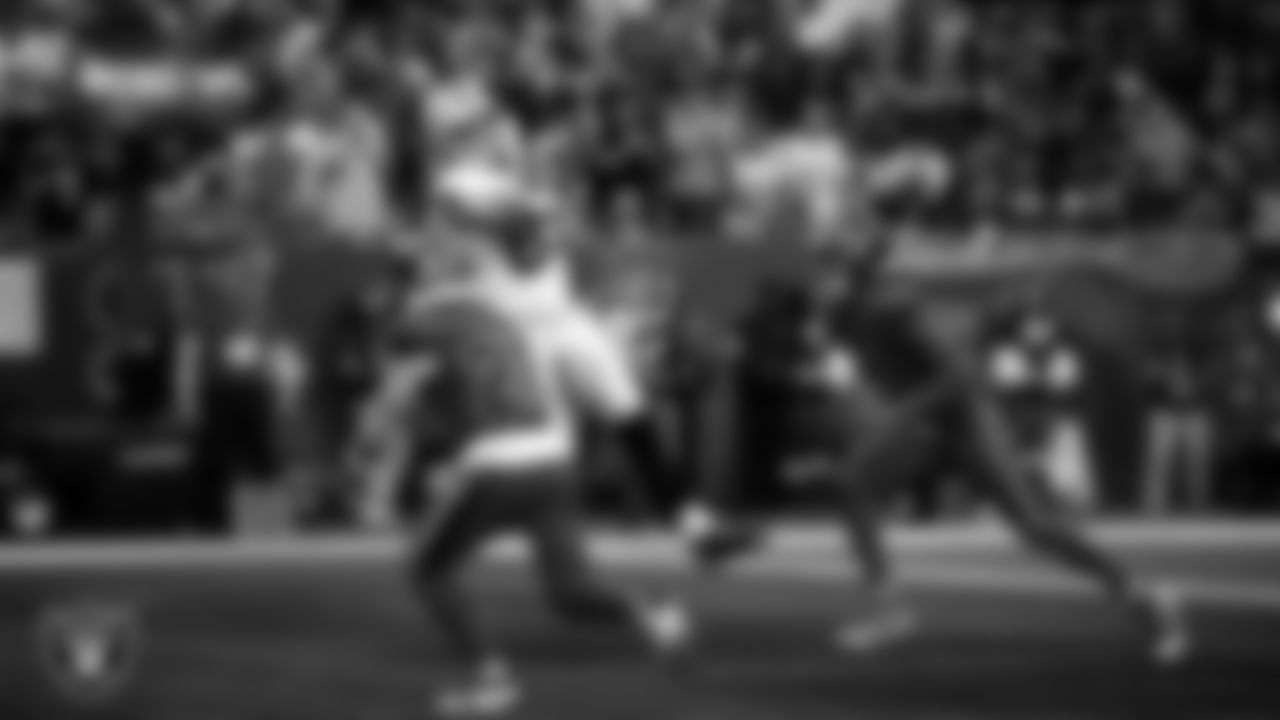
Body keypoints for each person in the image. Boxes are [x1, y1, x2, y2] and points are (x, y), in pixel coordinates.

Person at [700, 231, 1192, 666]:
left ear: (856, 269)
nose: (823, 276)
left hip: (964, 415)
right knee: (854, 487)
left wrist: (900, 415)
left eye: (833, 265)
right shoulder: (847, 310)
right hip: (927, 420)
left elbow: (958, 377)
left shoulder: (890, 306)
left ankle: (1147, 596)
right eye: (825, 265)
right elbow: (829, 358)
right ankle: (890, 609)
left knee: (1035, 527)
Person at [356, 164, 688, 718]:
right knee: (571, 592)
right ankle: (653, 613)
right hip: (555, 457)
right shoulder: (518, 295)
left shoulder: (427, 311)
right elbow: (518, 239)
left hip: (500, 462)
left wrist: (380, 428)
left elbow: (398, 376)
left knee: (426, 569)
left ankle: (492, 679)